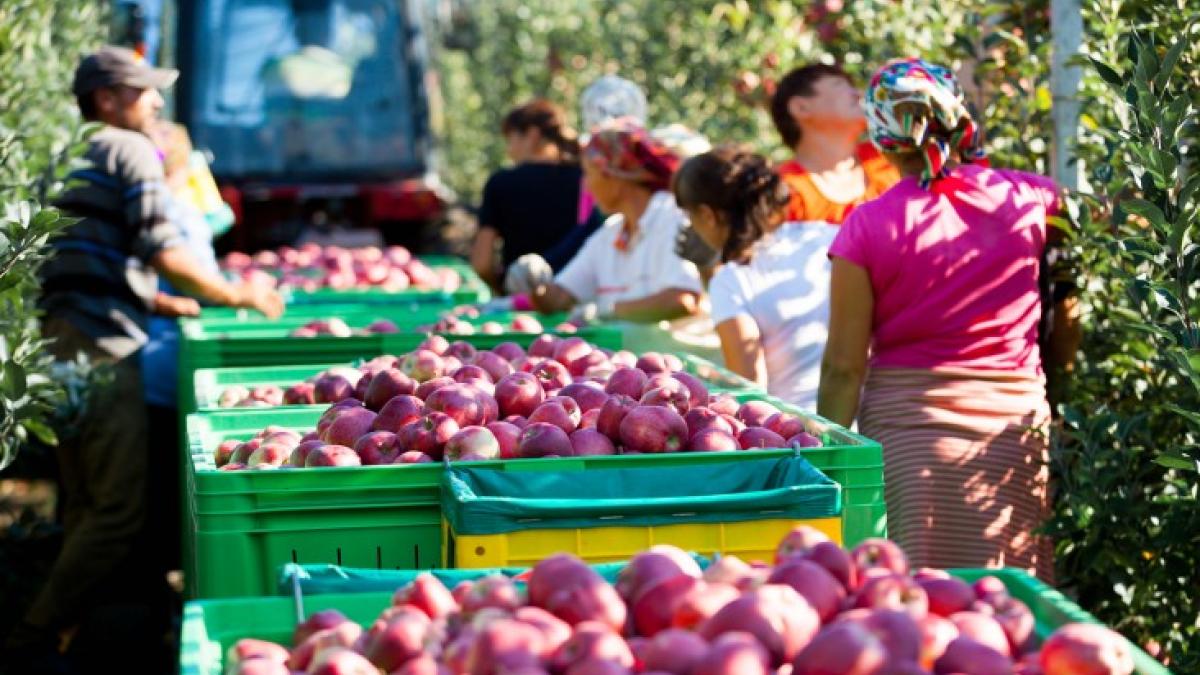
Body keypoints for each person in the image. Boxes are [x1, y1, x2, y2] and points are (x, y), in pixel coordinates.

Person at [7, 46, 283, 667]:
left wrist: (157, 304)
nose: (156, 103)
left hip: (57, 341)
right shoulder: (128, 149)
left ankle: (75, 633)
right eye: (144, 92)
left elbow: (86, 257)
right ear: (106, 99)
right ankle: (33, 636)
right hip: (105, 347)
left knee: (82, 500)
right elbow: (166, 251)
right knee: (117, 512)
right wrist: (238, 293)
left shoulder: (64, 150)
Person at [817, 58, 1072, 579]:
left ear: (883, 137)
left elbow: (844, 367)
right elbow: (1066, 312)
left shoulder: (866, 226)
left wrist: (828, 459)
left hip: (909, 432)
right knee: (1013, 588)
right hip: (1013, 422)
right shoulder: (1037, 200)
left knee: (922, 593)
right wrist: (1059, 394)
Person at [673, 148, 836, 411]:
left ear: (707, 215)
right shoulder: (827, 236)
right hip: (862, 420)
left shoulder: (730, 279)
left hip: (798, 430)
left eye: (691, 217)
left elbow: (750, 389)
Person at [530, 118, 702, 324]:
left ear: (616, 173)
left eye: (588, 173)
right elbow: (558, 299)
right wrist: (533, 283)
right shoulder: (612, 233)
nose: (586, 187)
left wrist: (608, 310)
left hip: (677, 353)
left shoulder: (672, 218)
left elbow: (682, 300)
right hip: (630, 353)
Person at [470, 99, 603, 291]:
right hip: (573, 294)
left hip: (522, 297)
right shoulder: (587, 180)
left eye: (511, 140)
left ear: (532, 135)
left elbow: (482, 263)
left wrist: (501, 289)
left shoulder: (501, 183)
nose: (509, 150)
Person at [769, 63, 900, 224]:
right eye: (840, 85)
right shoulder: (781, 192)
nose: (859, 94)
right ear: (801, 108)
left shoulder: (895, 159)